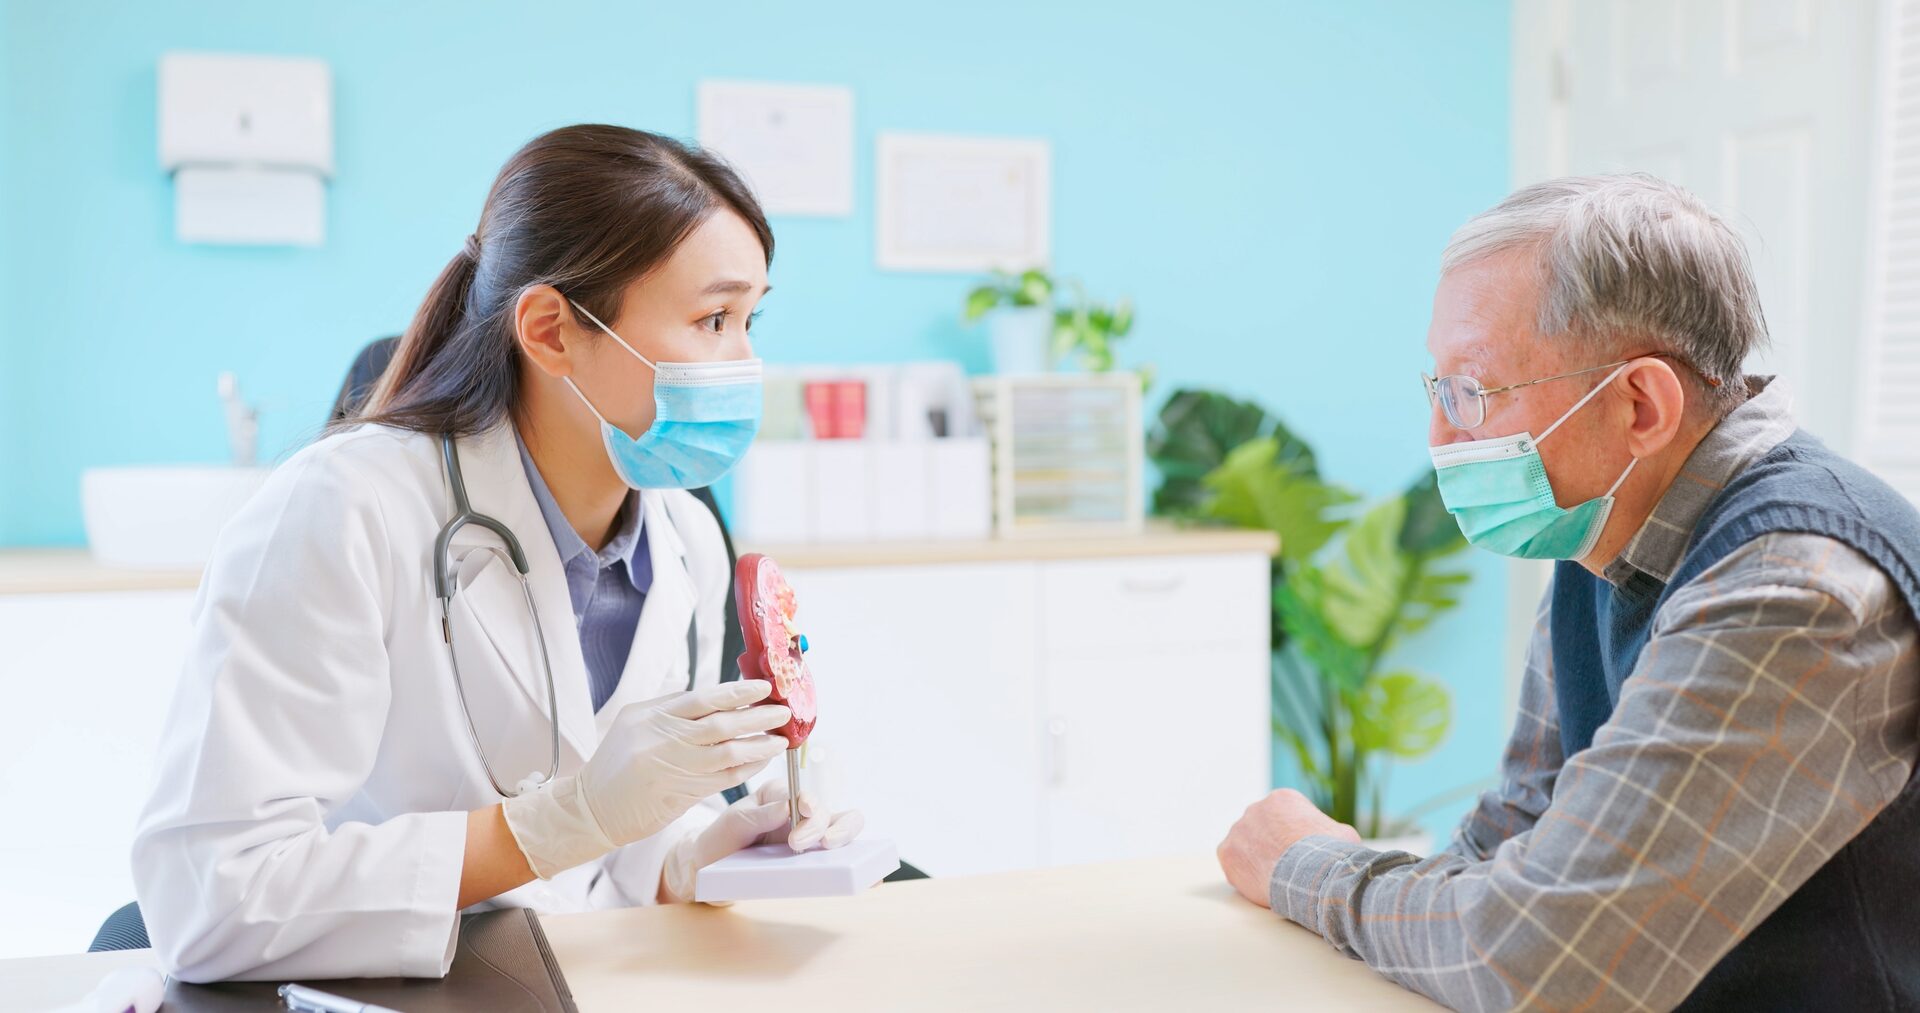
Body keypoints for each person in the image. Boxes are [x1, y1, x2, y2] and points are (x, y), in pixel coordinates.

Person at [132, 124, 863, 983]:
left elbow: (608, 851)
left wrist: (699, 849)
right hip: (371, 990)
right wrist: (560, 822)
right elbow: (213, 898)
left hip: (577, 981)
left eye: (750, 318)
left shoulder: (684, 540)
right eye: (712, 319)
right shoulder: (343, 510)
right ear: (552, 331)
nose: (747, 362)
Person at [1217, 174, 1920, 1011]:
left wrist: (1308, 867)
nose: (1441, 438)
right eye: (1437, 391)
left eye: (1472, 392)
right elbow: (1509, 840)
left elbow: (1542, 961)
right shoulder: (1604, 529)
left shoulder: (1798, 587)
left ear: (1639, 403)